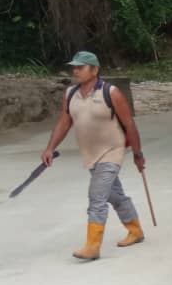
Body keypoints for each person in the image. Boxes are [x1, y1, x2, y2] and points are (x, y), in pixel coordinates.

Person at [41, 51, 147, 261]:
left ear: (95, 70)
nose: (75, 70)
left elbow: (129, 124)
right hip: (90, 154)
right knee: (112, 194)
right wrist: (50, 147)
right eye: (75, 67)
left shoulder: (111, 92)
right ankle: (135, 229)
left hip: (113, 151)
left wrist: (137, 153)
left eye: (81, 67)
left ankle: (92, 246)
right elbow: (64, 122)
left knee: (97, 196)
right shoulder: (70, 94)